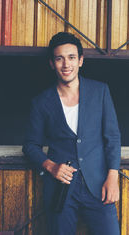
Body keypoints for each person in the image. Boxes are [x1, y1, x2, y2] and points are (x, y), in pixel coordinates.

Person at [23, 32, 121, 235]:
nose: (66, 64)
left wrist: (113, 177)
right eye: (59, 58)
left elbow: (112, 137)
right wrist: (50, 166)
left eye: (71, 57)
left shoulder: (100, 91)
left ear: (81, 61)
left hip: (99, 185)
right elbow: (30, 145)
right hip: (61, 189)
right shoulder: (41, 102)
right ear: (52, 63)